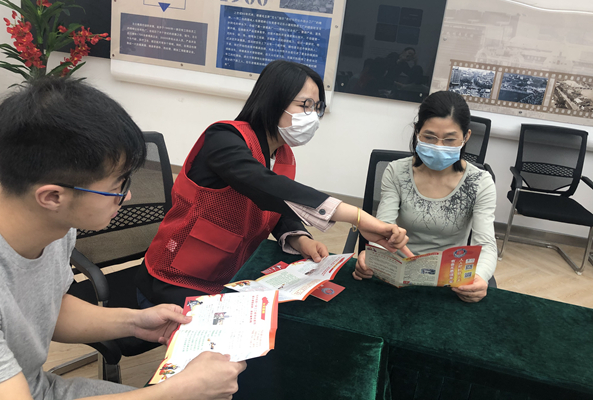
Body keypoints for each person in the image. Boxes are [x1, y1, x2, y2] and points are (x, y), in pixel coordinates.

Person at [0, 77, 246, 400]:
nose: (127, 197)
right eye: (117, 186)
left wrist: (135, 322)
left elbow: (49, 309)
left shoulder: (54, 226)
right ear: (53, 196)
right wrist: (177, 392)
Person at [137, 60, 410, 307]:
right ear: (273, 100)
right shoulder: (223, 138)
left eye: (317, 108)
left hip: (232, 272)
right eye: (305, 105)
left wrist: (299, 238)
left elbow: (274, 206)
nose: (312, 116)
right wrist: (358, 217)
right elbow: (263, 186)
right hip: (176, 277)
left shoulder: (283, 154)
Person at [353, 91, 497, 303]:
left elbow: (486, 244)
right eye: (429, 137)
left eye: (450, 139)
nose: (439, 146)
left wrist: (480, 277)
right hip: (397, 274)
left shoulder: (479, 182)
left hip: (448, 281)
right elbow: (384, 228)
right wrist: (373, 257)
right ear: (417, 131)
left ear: (466, 137)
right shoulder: (396, 172)